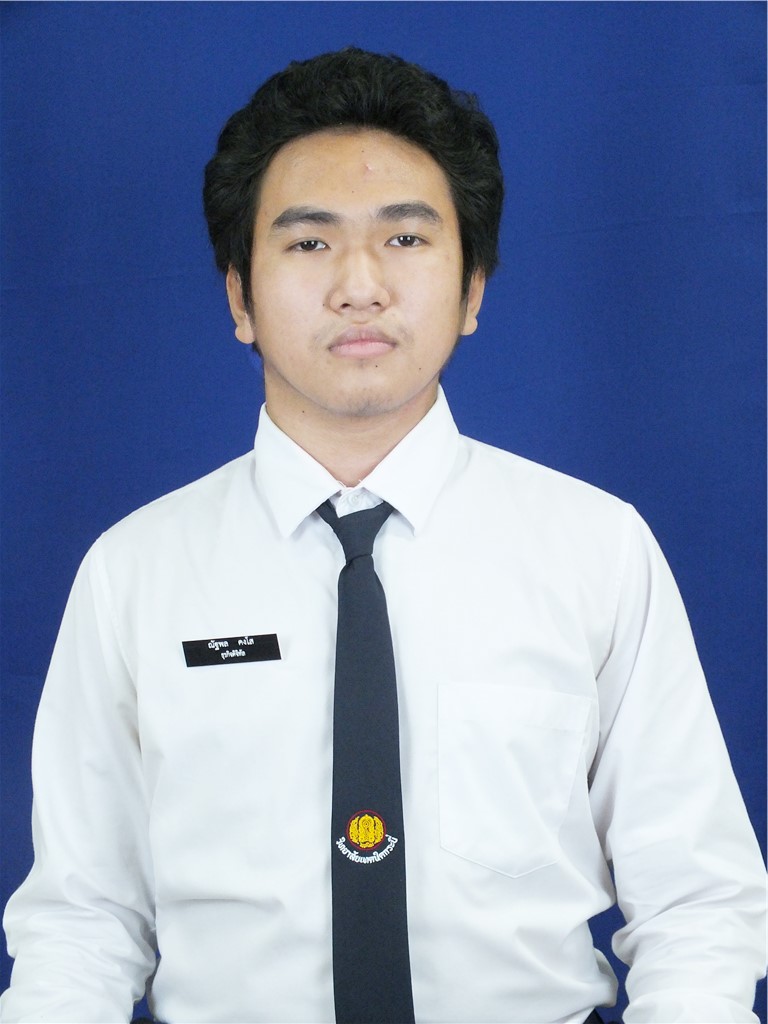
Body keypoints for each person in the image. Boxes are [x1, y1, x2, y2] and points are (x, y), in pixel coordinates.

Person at [1, 47, 765, 1024]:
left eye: (405, 239)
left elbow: (694, 903)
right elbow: (84, 923)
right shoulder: (135, 573)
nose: (359, 286)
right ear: (239, 296)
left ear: (473, 287)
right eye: (308, 242)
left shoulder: (595, 549)